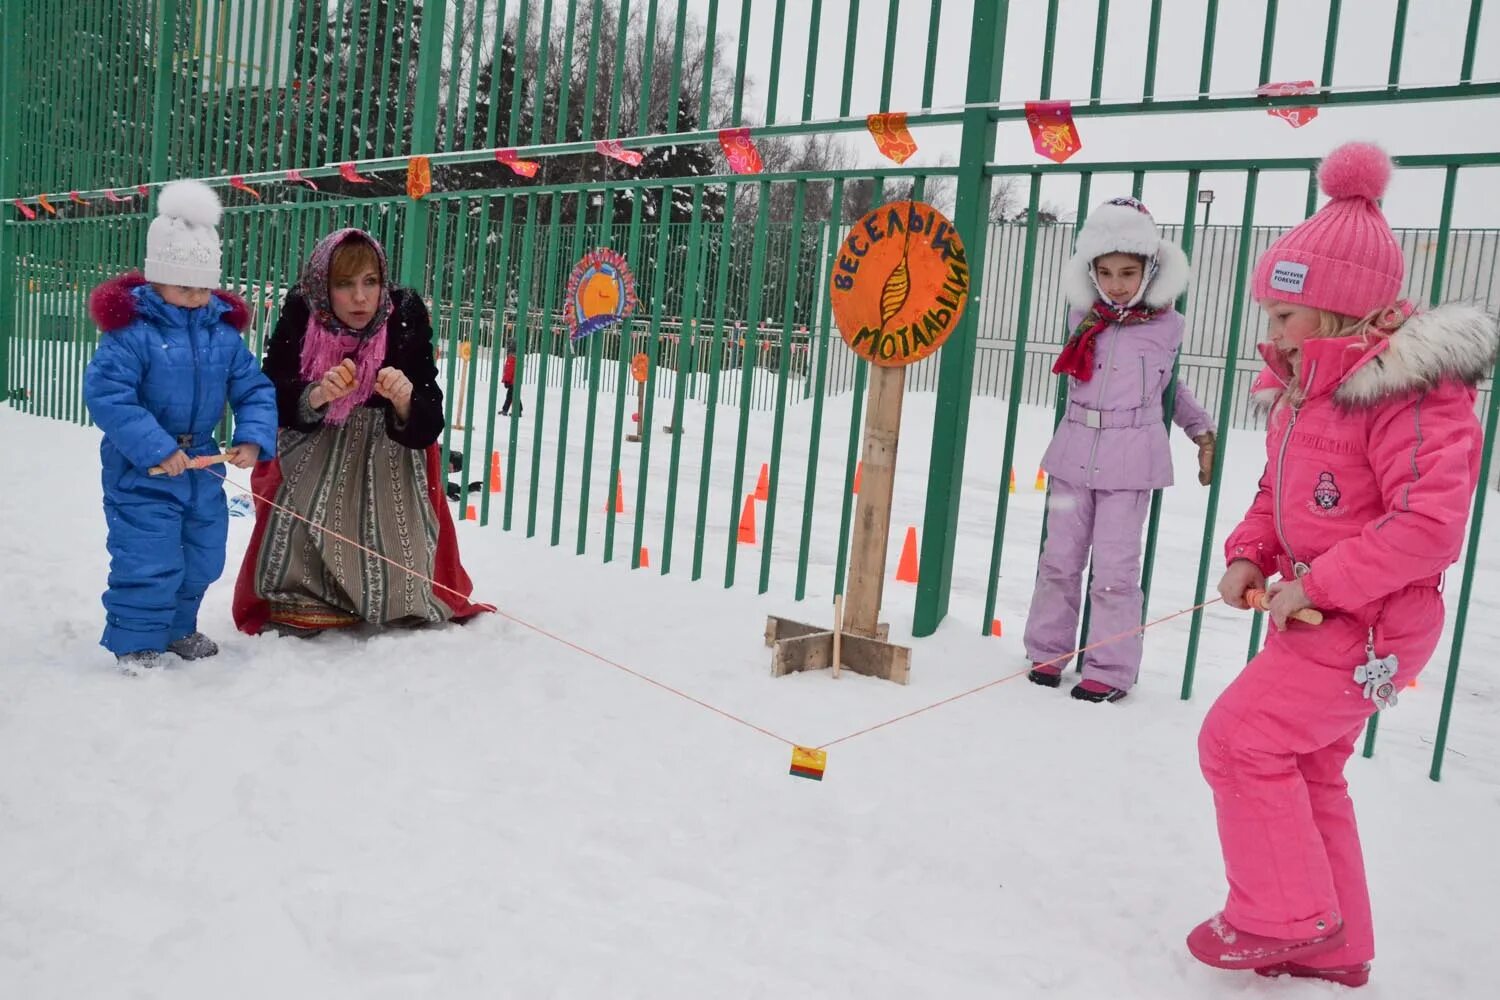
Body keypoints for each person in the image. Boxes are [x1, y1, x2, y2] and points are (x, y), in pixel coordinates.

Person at [1187, 142, 1497, 987]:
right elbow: (1274, 491)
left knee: (1240, 742)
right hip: (1327, 612)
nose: (1270, 334)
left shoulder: (1411, 393)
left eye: (1284, 318)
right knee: (1304, 764)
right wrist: (1252, 553)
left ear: (1338, 315)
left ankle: (1281, 916)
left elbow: (1429, 526)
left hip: (1370, 622)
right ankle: (1331, 942)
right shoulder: (1305, 391)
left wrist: (1316, 585)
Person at [232, 228, 490, 634]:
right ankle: (308, 596)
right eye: (344, 284)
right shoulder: (302, 309)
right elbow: (272, 390)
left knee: (404, 576)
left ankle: (391, 592)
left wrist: (405, 401)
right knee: (301, 502)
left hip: (388, 455)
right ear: (322, 287)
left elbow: (430, 411)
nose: (360, 297)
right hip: (316, 446)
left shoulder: (405, 313)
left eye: (370, 282)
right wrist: (316, 395)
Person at [1023, 197, 1217, 702]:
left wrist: (1200, 430)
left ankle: (1108, 669)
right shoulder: (1082, 318)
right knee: (1059, 560)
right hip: (1074, 452)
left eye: (1128, 272)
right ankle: (1047, 650)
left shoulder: (1166, 325)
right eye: (1105, 272)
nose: (1116, 284)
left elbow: (1172, 387)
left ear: (1151, 270)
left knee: (1114, 571)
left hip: (1131, 461)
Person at [83, 180, 277, 671]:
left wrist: (253, 436)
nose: (194, 297)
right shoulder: (131, 336)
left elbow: (253, 388)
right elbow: (110, 396)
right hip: (142, 470)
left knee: (203, 554)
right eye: (182, 286)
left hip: (201, 467)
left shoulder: (222, 336)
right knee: (148, 557)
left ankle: (177, 628)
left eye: (202, 287)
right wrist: (155, 448)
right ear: (154, 280)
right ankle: (136, 640)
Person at [499, 337, 522, 417]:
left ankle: (508, 410)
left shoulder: (511, 358)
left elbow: (509, 370)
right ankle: (518, 409)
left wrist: (507, 381)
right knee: (514, 395)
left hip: (512, 381)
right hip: (515, 381)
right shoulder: (518, 357)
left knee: (511, 396)